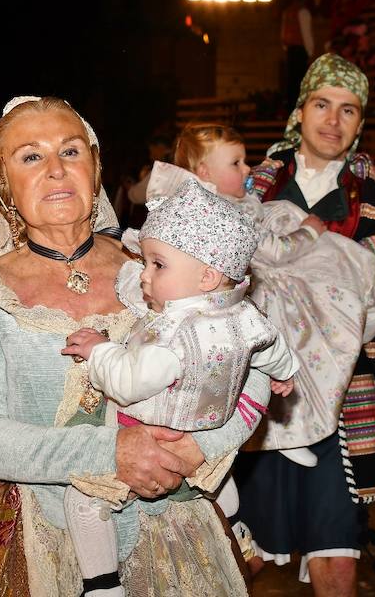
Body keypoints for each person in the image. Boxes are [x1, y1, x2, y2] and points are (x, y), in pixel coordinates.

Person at [0, 95, 267, 596]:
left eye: (71, 152)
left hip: (176, 525)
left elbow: (255, 358)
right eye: (31, 156)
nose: (55, 170)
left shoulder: (157, 260)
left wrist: (199, 448)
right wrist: (110, 451)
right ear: (2, 183)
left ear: (94, 166)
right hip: (41, 530)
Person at [60, 178, 299, 596]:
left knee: (83, 502)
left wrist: (99, 351)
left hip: (153, 436)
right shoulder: (244, 315)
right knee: (215, 488)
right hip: (209, 436)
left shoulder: (173, 340)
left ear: (206, 277)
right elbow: (272, 347)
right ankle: (234, 521)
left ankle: (102, 585)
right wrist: (285, 372)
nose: (145, 275)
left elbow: (129, 381)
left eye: (157, 265)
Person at [234, 53, 375, 596]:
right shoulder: (251, 188)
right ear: (300, 111)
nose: (333, 121)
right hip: (260, 393)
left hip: (342, 393)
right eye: (322, 104)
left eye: (348, 110)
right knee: (241, 547)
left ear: (361, 124)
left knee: (336, 550)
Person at [282, 0, 316, 107]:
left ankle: (291, 108)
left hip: (290, 50)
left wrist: (286, 48)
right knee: (300, 82)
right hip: (300, 50)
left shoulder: (287, 12)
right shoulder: (303, 11)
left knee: (291, 82)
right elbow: (306, 33)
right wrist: (310, 52)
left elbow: (283, 35)